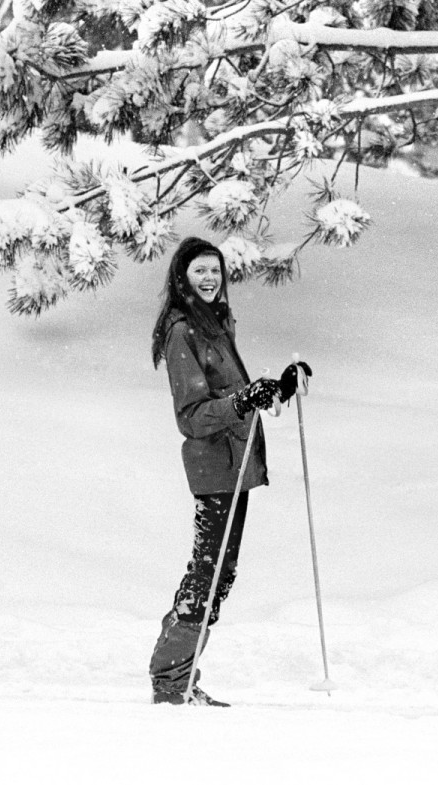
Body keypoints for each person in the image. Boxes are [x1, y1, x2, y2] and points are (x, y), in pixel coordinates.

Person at [146, 236, 308, 706]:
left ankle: (179, 678)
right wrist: (242, 400)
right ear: (182, 278)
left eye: (215, 270)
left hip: (234, 465)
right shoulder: (184, 331)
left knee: (218, 572)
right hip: (215, 466)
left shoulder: (215, 324)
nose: (209, 278)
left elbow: (236, 395)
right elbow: (193, 416)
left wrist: (277, 388)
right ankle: (171, 682)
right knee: (209, 574)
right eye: (199, 271)